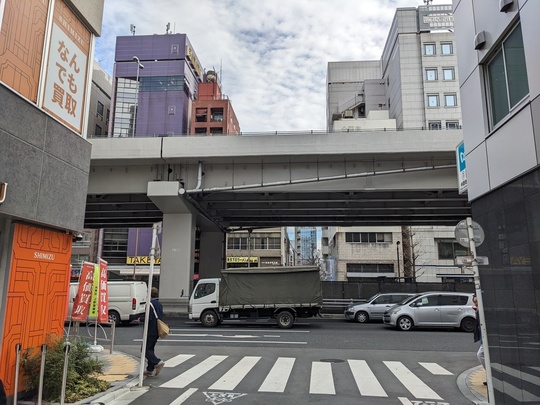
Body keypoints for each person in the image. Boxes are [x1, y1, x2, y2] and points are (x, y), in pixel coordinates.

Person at [145, 287, 165, 377]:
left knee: (145, 350)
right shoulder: (159, 304)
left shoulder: (150, 304)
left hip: (150, 329)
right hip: (157, 329)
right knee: (150, 349)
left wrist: (140, 319)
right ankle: (150, 369)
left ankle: (157, 362)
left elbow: (148, 318)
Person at [473, 294, 487, 385]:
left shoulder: (483, 310)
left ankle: (490, 373)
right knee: (483, 355)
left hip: (486, 338)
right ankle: (489, 376)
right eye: (475, 302)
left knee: (480, 354)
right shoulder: (478, 311)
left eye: (477, 302)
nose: (476, 304)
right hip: (483, 337)